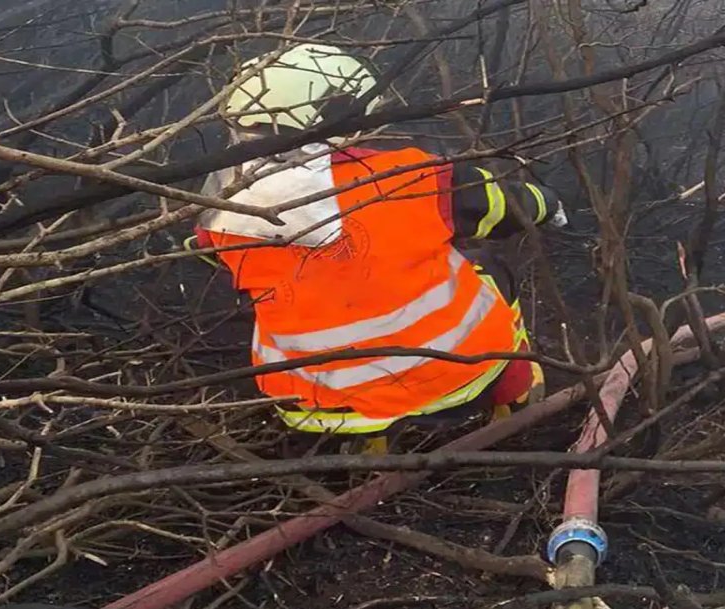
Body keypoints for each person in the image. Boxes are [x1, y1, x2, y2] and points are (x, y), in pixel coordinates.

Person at [192, 44, 566, 453]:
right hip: (453, 377)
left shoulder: (223, 202)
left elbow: (211, 253)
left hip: (315, 401)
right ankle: (514, 395)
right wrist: (548, 203)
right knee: (491, 271)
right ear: (342, 117)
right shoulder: (409, 176)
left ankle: (371, 442)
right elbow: (503, 207)